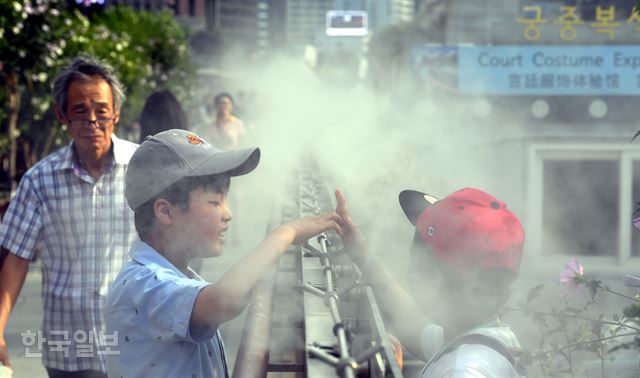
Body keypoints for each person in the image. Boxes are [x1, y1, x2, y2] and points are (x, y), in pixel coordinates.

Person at [106, 129, 341, 378]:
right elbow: (223, 301)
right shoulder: (141, 285)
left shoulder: (181, 277)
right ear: (165, 212)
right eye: (215, 202)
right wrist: (285, 234)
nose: (227, 213)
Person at [0, 55, 138, 378]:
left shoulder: (143, 168)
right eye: (80, 112)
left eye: (101, 112)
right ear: (63, 116)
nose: (92, 122)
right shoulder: (39, 181)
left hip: (135, 340)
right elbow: (16, 257)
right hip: (69, 347)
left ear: (115, 114)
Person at [335, 187, 526, 377]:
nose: (409, 273)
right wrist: (361, 252)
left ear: (435, 278)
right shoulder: (483, 340)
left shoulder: (463, 371)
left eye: (415, 263)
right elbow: (417, 332)